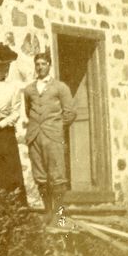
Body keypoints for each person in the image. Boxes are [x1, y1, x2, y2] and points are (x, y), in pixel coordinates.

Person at [22, 48, 77, 225]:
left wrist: (56, 127)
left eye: (43, 64)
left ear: (49, 66)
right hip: (34, 136)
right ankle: (48, 212)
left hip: (52, 136)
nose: (40, 67)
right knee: (40, 176)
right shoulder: (29, 89)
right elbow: (27, 109)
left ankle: (59, 214)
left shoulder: (60, 87)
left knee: (57, 175)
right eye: (37, 64)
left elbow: (70, 113)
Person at [0, 43, 26, 203]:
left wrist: (1, 125)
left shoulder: (14, 88)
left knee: (9, 167)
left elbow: (16, 112)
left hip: (6, 132)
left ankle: (14, 205)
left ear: (6, 70)